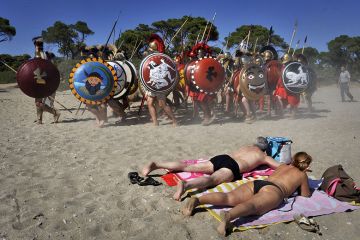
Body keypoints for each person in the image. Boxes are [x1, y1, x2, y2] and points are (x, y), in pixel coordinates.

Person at [182, 151, 313, 236]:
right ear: (306, 166)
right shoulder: (302, 175)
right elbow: (305, 195)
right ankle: (229, 216)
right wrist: (304, 177)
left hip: (259, 183)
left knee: (229, 197)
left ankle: (198, 200)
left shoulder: (283, 166)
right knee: (253, 206)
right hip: (275, 191)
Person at [142, 137, 281, 201]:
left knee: (189, 166)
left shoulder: (246, 147)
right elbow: (279, 166)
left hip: (221, 157)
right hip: (233, 166)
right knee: (212, 180)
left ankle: (157, 164)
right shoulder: (262, 155)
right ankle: (186, 185)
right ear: (265, 149)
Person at [32, 36, 61, 124]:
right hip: (38, 81)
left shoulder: (46, 55)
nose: (37, 46)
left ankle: (55, 112)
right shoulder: (36, 55)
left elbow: (51, 69)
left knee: (41, 102)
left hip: (46, 81)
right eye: (36, 44)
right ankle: (39, 119)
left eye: (38, 44)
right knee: (38, 101)